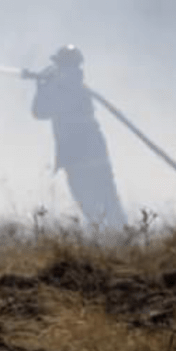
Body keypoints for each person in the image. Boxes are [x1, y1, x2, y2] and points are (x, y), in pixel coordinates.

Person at [25, 44, 128, 228]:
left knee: (99, 198)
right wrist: (43, 86)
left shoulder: (70, 88)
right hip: (83, 152)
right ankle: (113, 235)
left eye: (61, 65)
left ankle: (118, 235)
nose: (58, 69)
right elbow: (39, 113)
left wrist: (44, 87)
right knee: (97, 199)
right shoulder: (66, 85)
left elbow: (40, 111)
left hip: (80, 154)